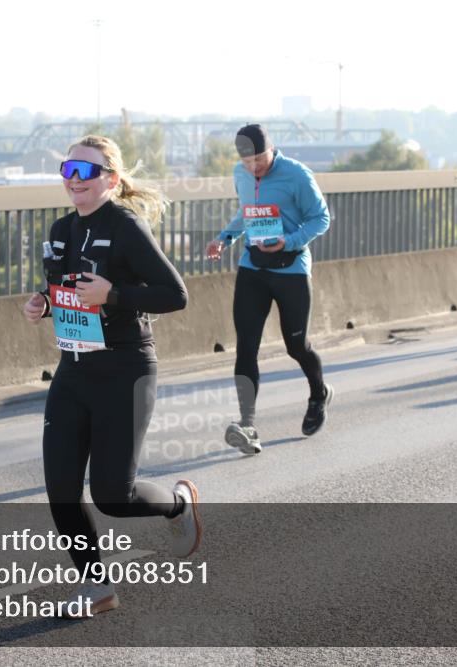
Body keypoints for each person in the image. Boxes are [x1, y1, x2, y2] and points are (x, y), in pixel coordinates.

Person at [22, 135, 201, 618]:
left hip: (125, 368)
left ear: (111, 179)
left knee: (113, 496)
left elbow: (173, 294)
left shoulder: (125, 225)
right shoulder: (60, 229)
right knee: (60, 489)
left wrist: (114, 295)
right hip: (73, 371)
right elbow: (64, 289)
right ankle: (97, 587)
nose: (73, 180)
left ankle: (178, 504)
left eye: (86, 171)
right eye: (67, 169)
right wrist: (43, 302)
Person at [205, 124, 332, 455]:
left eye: (259, 160)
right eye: (248, 162)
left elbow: (321, 218)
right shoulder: (241, 173)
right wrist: (224, 238)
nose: (254, 168)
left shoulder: (296, 174)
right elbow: (247, 213)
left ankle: (319, 394)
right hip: (253, 269)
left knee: (296, 345)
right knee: (246, 348)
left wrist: (287, 242)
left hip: (290, 270)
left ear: (271, 150)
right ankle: (248, 425)